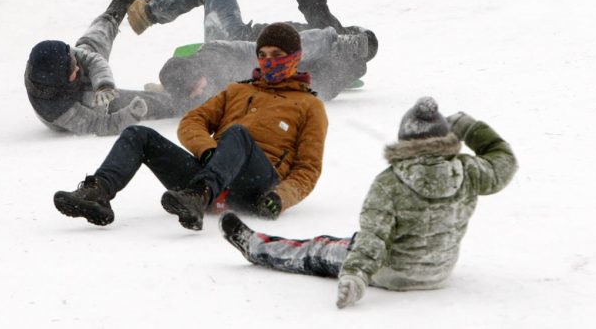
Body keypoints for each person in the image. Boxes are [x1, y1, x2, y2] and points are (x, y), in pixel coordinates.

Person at [219, 97, 517, 310]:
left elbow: (374, 240)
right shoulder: (469, 171)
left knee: (318, 248)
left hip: (392, 272)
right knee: (350, 242)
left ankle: (257, 247)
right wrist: (468, 126)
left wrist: (356, 276)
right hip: (438, 271)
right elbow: (504, 159)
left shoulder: (391, 182)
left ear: (404, 141)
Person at [53, 22, 329, 231]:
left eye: (277, 54)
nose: (269, 61)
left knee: (237, 134)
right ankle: (98, 192)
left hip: (256, 187)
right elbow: (192, 121)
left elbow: (308, 169)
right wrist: (208, 150)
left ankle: (200, 195)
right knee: (138, 134)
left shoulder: (308, 106)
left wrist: (280, 197)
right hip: (211, 174)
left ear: (294, 58)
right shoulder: (236, 91)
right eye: (263, 54)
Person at [153, 0, 377, 106]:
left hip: (233, 43)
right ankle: (182, 83)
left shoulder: (330, 34)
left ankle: (151, 11)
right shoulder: (335, 71)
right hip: (237, 73)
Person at [26, 0, 184, 136]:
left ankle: (111, 17)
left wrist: (104, 84)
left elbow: (94, 60)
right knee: (117, 102)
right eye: (72, 69)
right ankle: (180, 103)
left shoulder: (60, 55)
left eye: (74, 61)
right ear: (60, 80)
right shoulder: (60, 111)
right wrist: (131, 114)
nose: (77, 67)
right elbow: (100, 125)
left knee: (89, 45)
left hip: (69, 83)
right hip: (83, 105)